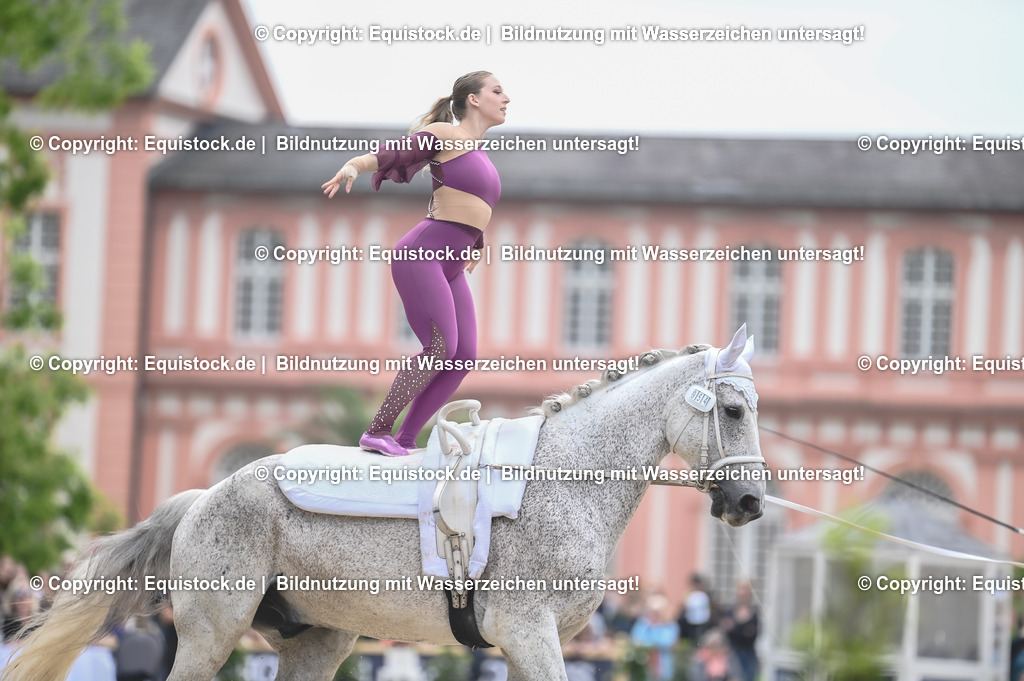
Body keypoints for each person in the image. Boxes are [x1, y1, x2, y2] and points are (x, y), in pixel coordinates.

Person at [322, 71, 510, 457]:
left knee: (463, 356)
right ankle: (376, 430)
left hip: (450, 265)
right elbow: (397, 153)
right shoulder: (445, 134)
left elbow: (474, 206)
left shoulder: (479, 153)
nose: (507, 98)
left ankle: (406, 439)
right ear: (473, 100)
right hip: (421, 256)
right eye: (497, 91)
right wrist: (355, 165)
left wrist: (476, 243)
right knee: (440, 347)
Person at [630, 595, 680, 681]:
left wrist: (652, 637)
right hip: (644, 664)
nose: (653, 615)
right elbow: (635, 640)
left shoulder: (670, 625)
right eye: (651, 612)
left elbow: (668, 642)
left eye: (657, 612)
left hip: (664, 664)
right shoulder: (642, 624)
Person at [719, 581, 759, 681]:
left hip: (748, 655)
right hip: (732, 653)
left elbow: (752, 633)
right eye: (741, 589)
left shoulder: (754, 613)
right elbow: (725, 629)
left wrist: (735, 626)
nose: (743, 593)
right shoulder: (729, 611)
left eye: (745, 590)